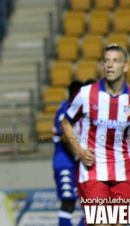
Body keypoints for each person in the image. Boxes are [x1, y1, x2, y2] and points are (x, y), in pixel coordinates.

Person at [62, 44, 130, 225]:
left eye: (115, 61)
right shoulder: (86, 94)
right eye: (106, 61)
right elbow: (66, 123)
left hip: (124, 172)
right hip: (93, 171)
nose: (110, 65)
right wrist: (79, 151)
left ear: (126, 66)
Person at [52, 80, 83, 226]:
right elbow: (64, 137)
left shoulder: (75, 109)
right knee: (68, 201)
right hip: (65, 162)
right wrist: (78, 155)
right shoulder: (65, 109)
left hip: (74, 161)